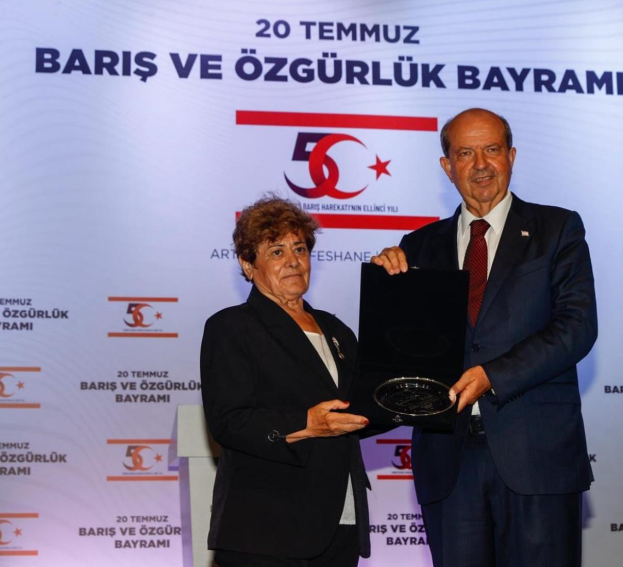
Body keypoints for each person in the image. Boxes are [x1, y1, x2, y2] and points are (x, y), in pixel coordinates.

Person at [372, 108, 597, 567]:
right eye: (465, 153)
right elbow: (402, 353)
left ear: (511, 156)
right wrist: (385, 291)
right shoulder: (417, 246)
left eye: (491, 150)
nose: (480, 164)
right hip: (449, 463)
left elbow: (577, 327)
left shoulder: (557, 230)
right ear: (447, 166)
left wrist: (492, 375)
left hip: (537, 456)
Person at [200, 196, 371, 567]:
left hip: (340, 522)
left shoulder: (337, 330)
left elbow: (359, 409)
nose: (293, 260)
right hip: (267, 528)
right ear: (248, 265)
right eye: (276, 251)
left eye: (300, 249)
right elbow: (229, 422)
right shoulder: (231, 327)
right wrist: (305, 424)